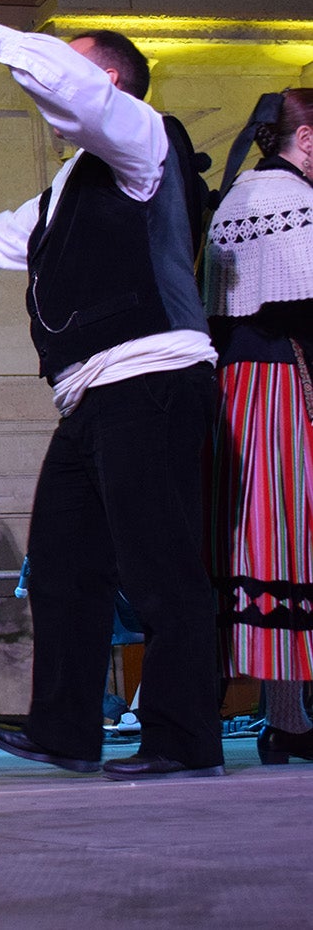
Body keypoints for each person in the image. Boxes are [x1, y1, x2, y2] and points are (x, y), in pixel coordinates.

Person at [0, 9, 224, 780]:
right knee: (61, 566)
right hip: (90, 394)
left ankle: (183, 741)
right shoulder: (65, 187)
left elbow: (79, 99)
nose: (47, 84)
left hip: (152, 376)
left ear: (108, 80)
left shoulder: (145, 139)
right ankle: (64, 731)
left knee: (159, 569)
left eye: (68, 63)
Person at [201, 88, 313, 764]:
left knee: (263, 543)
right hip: (277, 388)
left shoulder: (240, 195)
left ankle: (284, 718)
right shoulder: (289, 201)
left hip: (241, 389)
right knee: (287, 538)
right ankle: (288, 719)